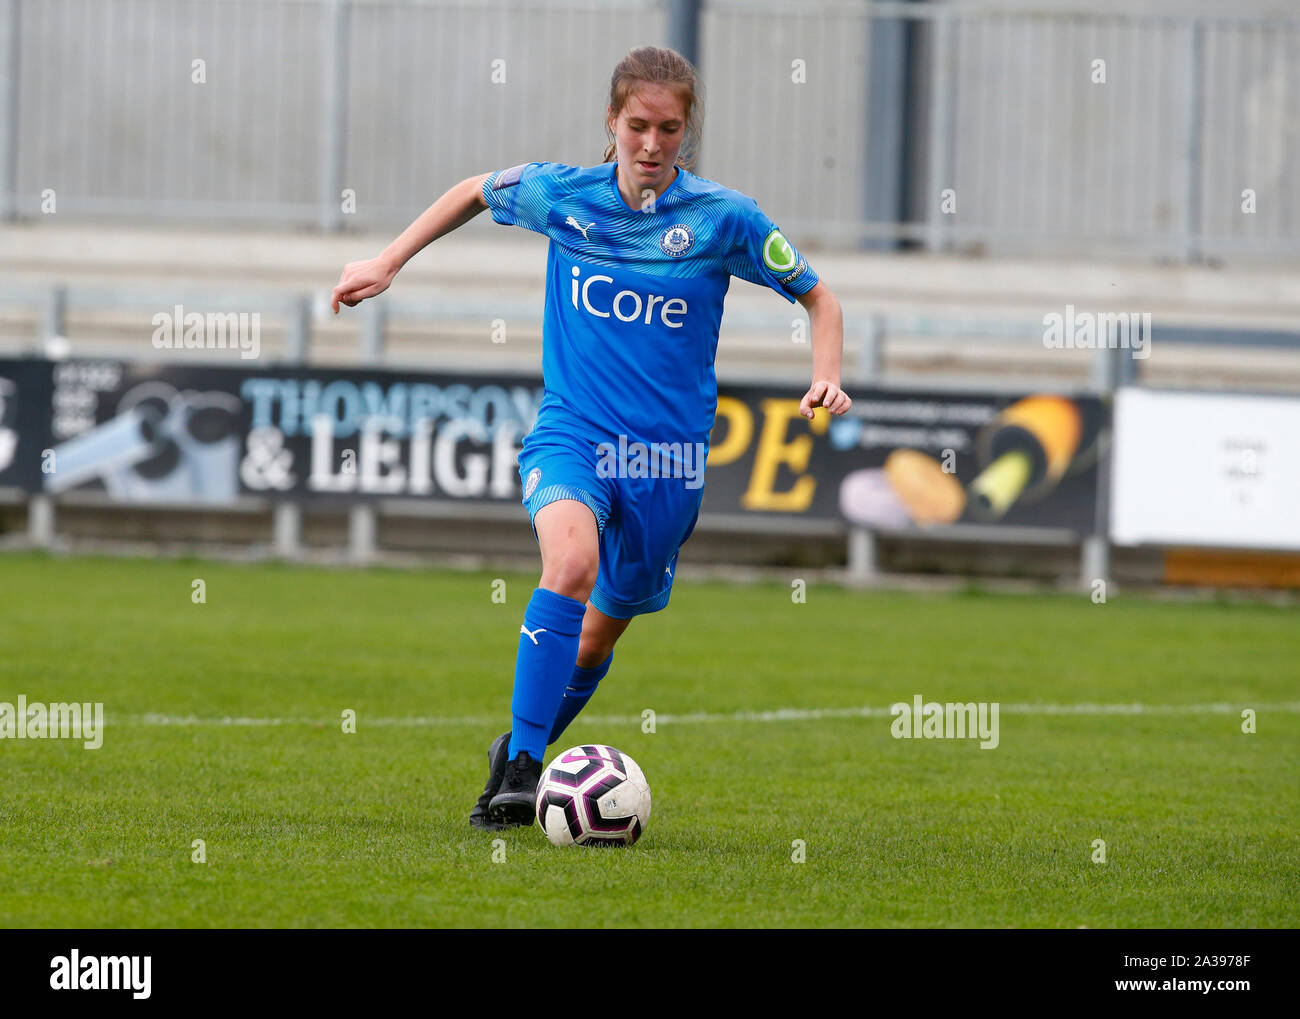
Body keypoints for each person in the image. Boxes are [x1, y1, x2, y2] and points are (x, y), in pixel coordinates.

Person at [331, 46, 853, 830]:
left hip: (666, 462)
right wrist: (388, 259)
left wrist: (827, 374)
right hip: (572, 432)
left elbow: (821, 300)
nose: (651, 144)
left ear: (687, 132)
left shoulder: (723, 220)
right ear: (611, 123)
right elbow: (475, 190)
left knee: (599, 632)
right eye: (637, 125)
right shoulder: (564, 196)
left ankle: (521, 746)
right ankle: (521, 770)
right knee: (568, 561)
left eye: (668, 129)